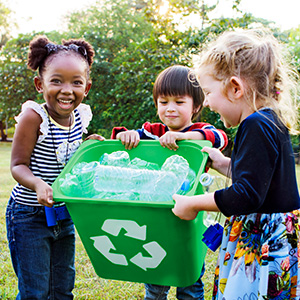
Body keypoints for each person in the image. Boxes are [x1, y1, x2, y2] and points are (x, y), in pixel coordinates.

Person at [172, 29, 300, 299]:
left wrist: (193, 203)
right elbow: (261, 180)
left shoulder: (254, 125)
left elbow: (247, 195)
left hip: (262, 239)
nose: (207, 102)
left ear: (235, 88)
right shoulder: (270, 119)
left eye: (208, 92)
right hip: (278, 234)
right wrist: (225, 164)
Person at [111, 65, 228, 300]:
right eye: (163, 102)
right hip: (155, 217)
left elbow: (219, 137)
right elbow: (120, 140)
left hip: (190, 220)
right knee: (155, 277)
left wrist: (183, 136)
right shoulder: (152, 131)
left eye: (179, 102)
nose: (170, 109)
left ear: (195, 106)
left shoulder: (199, 131)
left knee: (190, 279)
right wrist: (127, 135)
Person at [6, 35, 104, 299]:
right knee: (35, 291)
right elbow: (17, 165)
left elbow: (70, 157)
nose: (66, 90)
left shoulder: (81, 116)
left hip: (63, 214)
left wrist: (89, 146)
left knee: (62, 287)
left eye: (76, 82)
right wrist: (38, 183)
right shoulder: (33, 117)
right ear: (40, 84)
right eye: (56, 81)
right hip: (29, 216)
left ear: (87, 87)